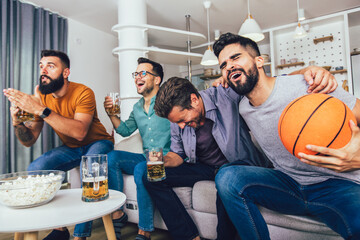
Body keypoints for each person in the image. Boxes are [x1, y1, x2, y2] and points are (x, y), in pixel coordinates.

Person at [142, 72, 334, 240]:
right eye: (177, 123)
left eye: (183, 120)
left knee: (225, 176)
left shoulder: (225, 96)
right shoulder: (177, 120)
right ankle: (189, 236)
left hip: (238, 165)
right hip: (205, 167)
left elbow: (267, 84)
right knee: (149, 176)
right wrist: (164, 160)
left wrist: (309, 72)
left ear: (194, 99)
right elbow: (178, 154)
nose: (181, 126)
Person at [212, 32, 360, 240]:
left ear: (259, 61)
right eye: (223, 65)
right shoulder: (243, 107)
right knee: (227, 177)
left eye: (236, 58)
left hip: (337, 184)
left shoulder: (308, 85)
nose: (228, 66)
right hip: (288, 184)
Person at [3, 50, 114, 240]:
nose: (43, 70)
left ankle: (80, 236)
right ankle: (59, 229)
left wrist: (39, 108)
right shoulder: (43, 98)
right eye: (41, 66)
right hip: (71, 148)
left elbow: (80, 133)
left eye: (50, 66)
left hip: (98, 142)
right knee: (35, 168)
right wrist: (17, 123)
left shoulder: (83, 92)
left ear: (66, 72)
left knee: (89, 169)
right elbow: (29, 140)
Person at [103, 57, 170, 240]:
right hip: (146, 156)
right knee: (112, 157)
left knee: (143, 168)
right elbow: (124, 130)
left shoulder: (168, 101)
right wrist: (111, 114)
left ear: (157, 79)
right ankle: (117, 214)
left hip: (167, 158)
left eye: (142, 73)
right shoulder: (138, 107)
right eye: (135, 74)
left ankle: (144, 231)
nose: (136, 78)